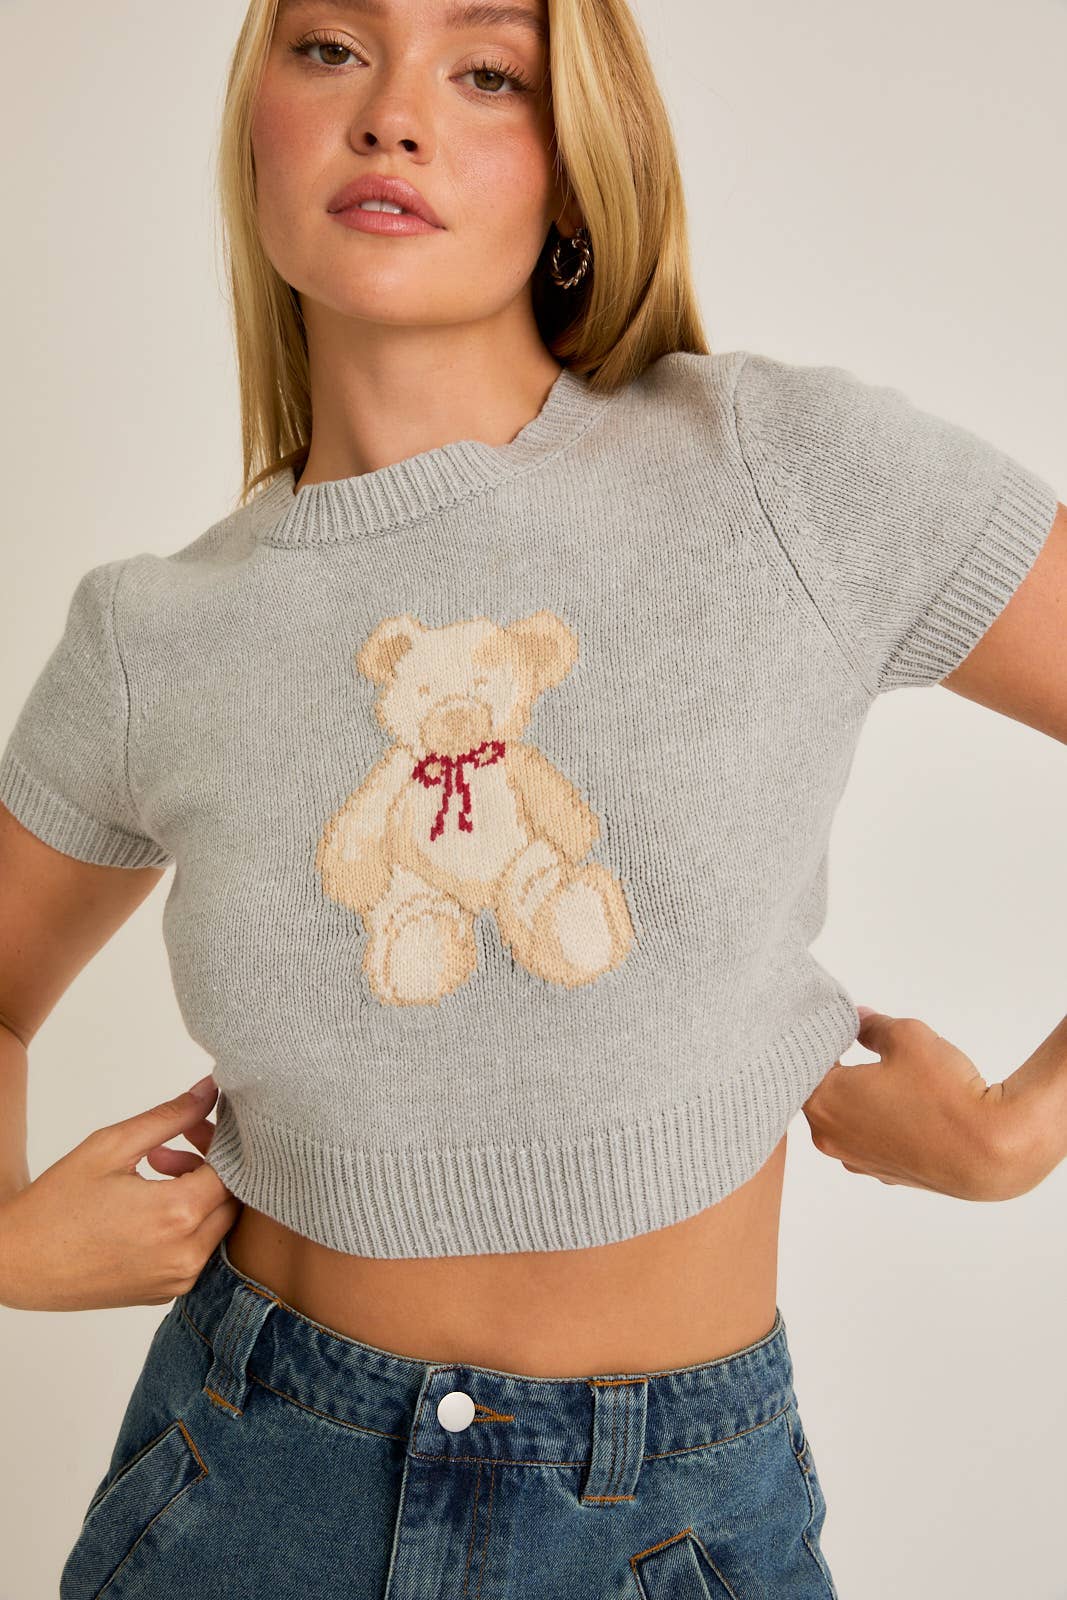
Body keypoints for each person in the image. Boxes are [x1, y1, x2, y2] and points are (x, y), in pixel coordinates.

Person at [1, 0, 1064, 1594]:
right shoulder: (152, 638)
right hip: (252, 1491)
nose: (394, 114)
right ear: (255, 125)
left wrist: (1021, 1131)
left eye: (487, 72)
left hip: (675, 1518)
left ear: (577, 170)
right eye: (330, 47)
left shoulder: (778, 472)